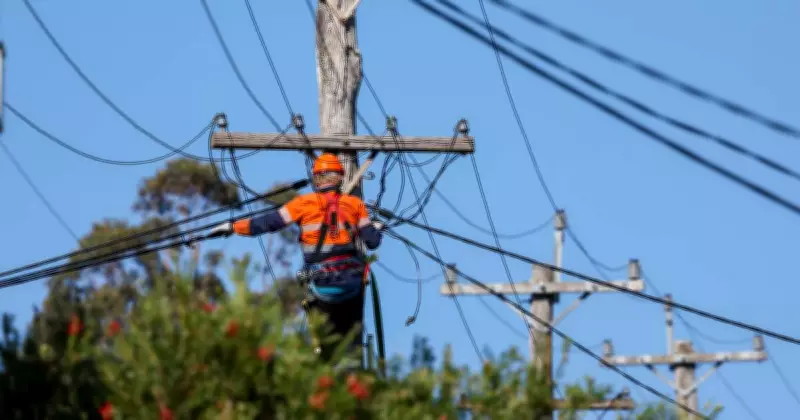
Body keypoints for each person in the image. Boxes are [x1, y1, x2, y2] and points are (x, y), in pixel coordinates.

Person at [208, 153, 383, 358]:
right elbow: (372, 241)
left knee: (325, 345)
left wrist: (232, 227)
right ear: (341, 178)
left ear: (316, 178)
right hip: (352, 285)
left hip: (323, 286)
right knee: (350, 344)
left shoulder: (303, 203)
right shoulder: (355, 205)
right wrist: (375, 228)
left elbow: (269, 223)